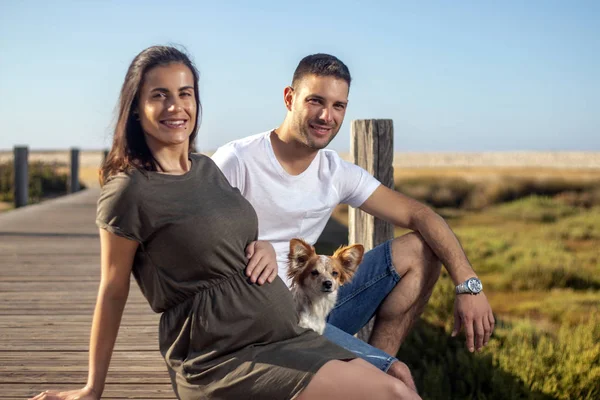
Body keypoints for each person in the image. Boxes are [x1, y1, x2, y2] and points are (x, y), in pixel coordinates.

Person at [29, 46, 421, 400]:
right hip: (219, 351)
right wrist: (92, 388)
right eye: (159, 95)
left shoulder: (206, 169)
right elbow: (112, 289)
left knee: (396, 388)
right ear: (136, 107)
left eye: (185, 93)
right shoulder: (129, 190)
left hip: (283, 333)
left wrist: (266, 247)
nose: (175, 106)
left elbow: (237, 235)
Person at [211, 53, 495, 384]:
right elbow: (193, 241)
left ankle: (374, 369)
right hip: (259, 322)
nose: (325, 116)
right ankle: (374, 376)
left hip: (316, 304)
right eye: (315, 101)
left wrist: (468, 284)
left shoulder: (336, 172)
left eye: (338, 106)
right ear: (289, 98)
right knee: (397, 377)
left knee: (421, 250)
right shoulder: (238, 160)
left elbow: (420, 214)